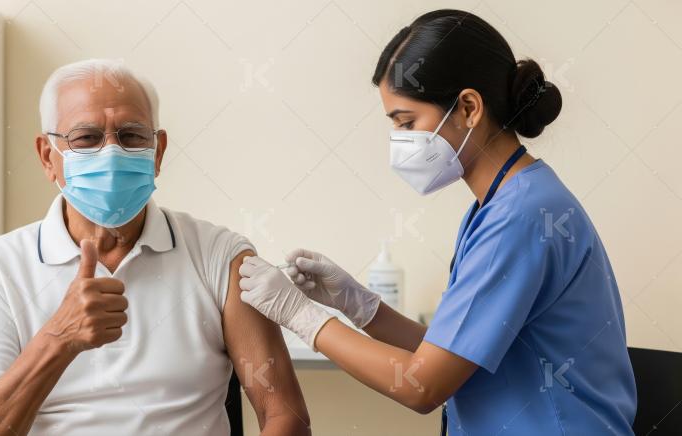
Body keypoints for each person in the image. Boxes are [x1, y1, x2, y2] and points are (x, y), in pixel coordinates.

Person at [237, 9, 637, 435]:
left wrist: (304, 317)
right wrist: (358, 305)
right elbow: (445, 354)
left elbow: (422, 387)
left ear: (468, 107)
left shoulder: (519, 218)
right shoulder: (497, 206)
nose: (400, 143)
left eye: (407, 123)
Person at [0, 59, 311, 435]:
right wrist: (58, 338)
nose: (112, 154)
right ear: (48, 157)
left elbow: (285, 416)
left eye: (132, 136)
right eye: (86, 138)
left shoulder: (220, 255)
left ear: (157, 152)